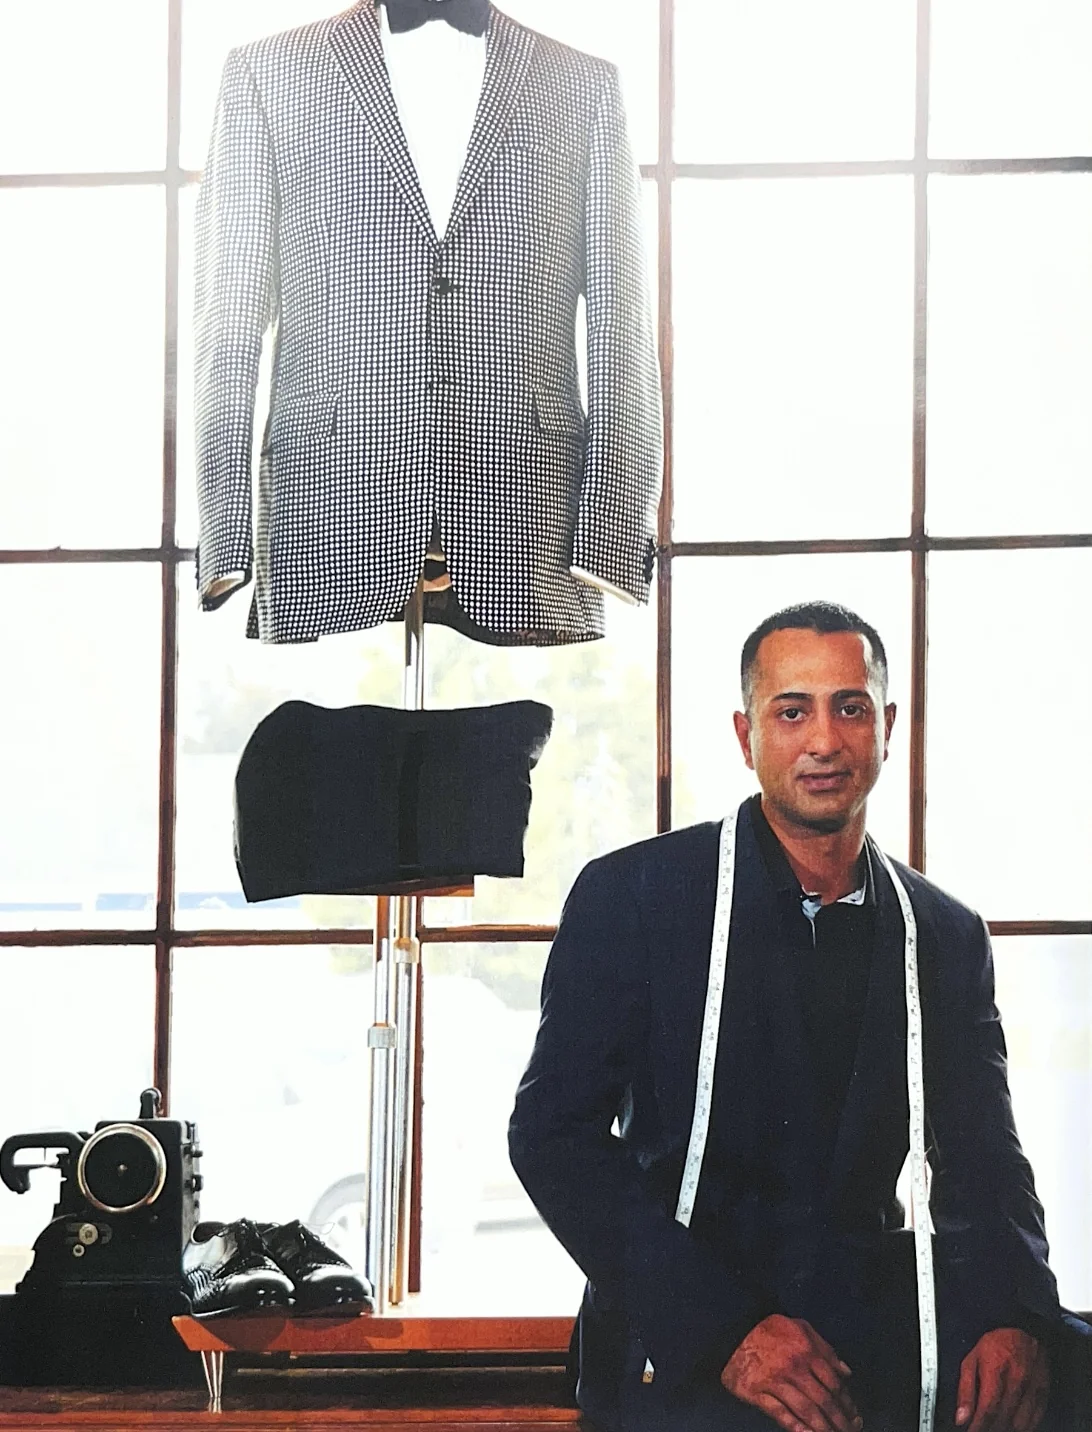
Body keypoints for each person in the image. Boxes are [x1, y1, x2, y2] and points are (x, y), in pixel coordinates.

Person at [509, 602, 1066, 1432]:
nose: (824, 740)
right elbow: (552, 1138)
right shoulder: (635, 897)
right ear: (746, 735)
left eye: (851, 707)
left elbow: (984, 1156)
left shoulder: (945, 934)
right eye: (791, 710)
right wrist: (724, 1330)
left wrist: (1010, 1313)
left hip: (863, 1352)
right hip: (683, 1339)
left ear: (887, 727)